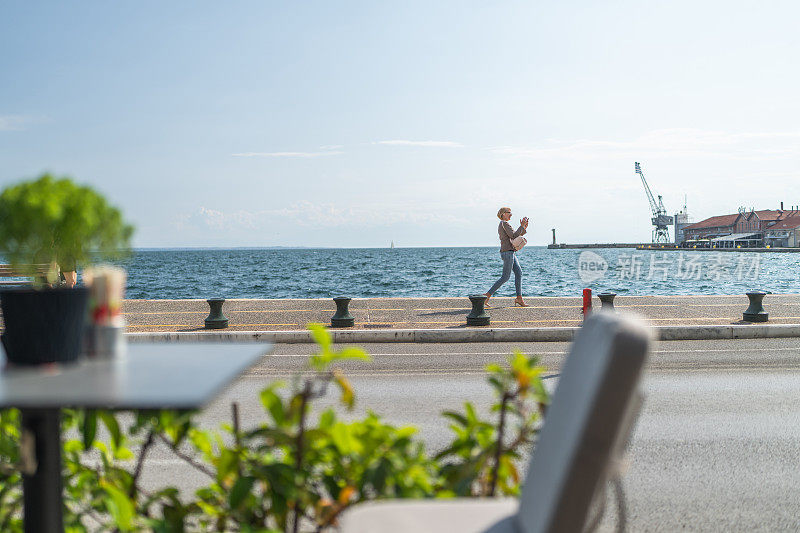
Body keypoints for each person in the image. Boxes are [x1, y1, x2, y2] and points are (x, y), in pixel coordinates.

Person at [484, 207, 529, 307]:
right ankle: (487, 296)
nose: (511, 214)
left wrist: (523, 227)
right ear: (503, 214)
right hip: (507, 253)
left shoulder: (504, 224)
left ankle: (519, 298)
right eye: (509, 213)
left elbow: (515, 235)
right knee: (505, 277)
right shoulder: (504, 223)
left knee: (518, 273)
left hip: (510, 252)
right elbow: (513, 236)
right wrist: (521, 226)